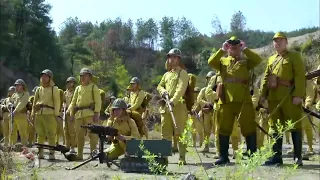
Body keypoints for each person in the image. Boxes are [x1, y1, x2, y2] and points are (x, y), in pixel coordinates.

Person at [208, 36, 262, 165]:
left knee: (248, 126)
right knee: (223, 128)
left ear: (240, 48)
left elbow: (257, 59)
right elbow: (211, 61)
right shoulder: (222, 62)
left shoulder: (245, 61)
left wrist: (246, 49)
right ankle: (223, 157)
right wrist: (222, 49)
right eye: (231, 47)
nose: (233, 49)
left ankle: (252, 156)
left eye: (236, 46)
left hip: (243, 99)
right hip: (225, 99)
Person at [260, 32, 305, 166]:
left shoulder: (294, 56)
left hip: (289, 96)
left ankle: (298, 157)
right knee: (275, 127)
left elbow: (300, 76)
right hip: (274, 97)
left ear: (286, 42)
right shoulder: (271, 59)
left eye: (280, 40)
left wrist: (298, 95)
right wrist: (263, 95)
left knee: (294, 125)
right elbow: (266, 78)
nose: (277, 43)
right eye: (275, 41)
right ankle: (276, 157)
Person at [157, 48, 189, 165]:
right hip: (166, 108)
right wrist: (163, 91)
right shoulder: (166, 74)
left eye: (174, 57)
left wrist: (173, 101)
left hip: (178, 107)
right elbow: (159, 86)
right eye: (170, 57)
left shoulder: (183, 73)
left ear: (178, 59)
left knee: (179, 132)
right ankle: (164, 158)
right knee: (165, 134)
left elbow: (181, 88)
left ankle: (182, 157)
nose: (171, 59)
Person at [67, 68, 101, 160]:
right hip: (78, 114)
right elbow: (73, 102)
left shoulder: (94, 87)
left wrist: (97, 113)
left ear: (89, 77)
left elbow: (98, 101)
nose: (82, 77)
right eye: (81, 76)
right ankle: (80, 154)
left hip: (89, 113)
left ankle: (93, 154)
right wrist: (71, 113)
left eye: (85, 75)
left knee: (92, 134)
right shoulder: (78, 88)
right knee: (79, 135)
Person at [31, 69, 60, 160]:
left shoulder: (54, 89)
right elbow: (34, 103)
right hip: (39, 114)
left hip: (50, 114)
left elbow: (57, 102)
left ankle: (51, 153)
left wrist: (56, 114)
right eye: (42, 76)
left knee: (51, 134)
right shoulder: (39, 89)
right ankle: (40, 153)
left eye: (46, 76)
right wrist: (33, 113)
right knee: (40, 134)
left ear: (50, 78)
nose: (43, 78)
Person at [64, 77, 77, 153]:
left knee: (72, 131)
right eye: (69, 82)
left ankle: (73, 147)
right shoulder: (65, 93)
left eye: (72, 82)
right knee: (65, 130)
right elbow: (64, 102)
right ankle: (67, 146)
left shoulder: (75, 92)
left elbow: (75, 104)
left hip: (72, 113)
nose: (70, 84)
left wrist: (72, 114)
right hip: (65, 113)